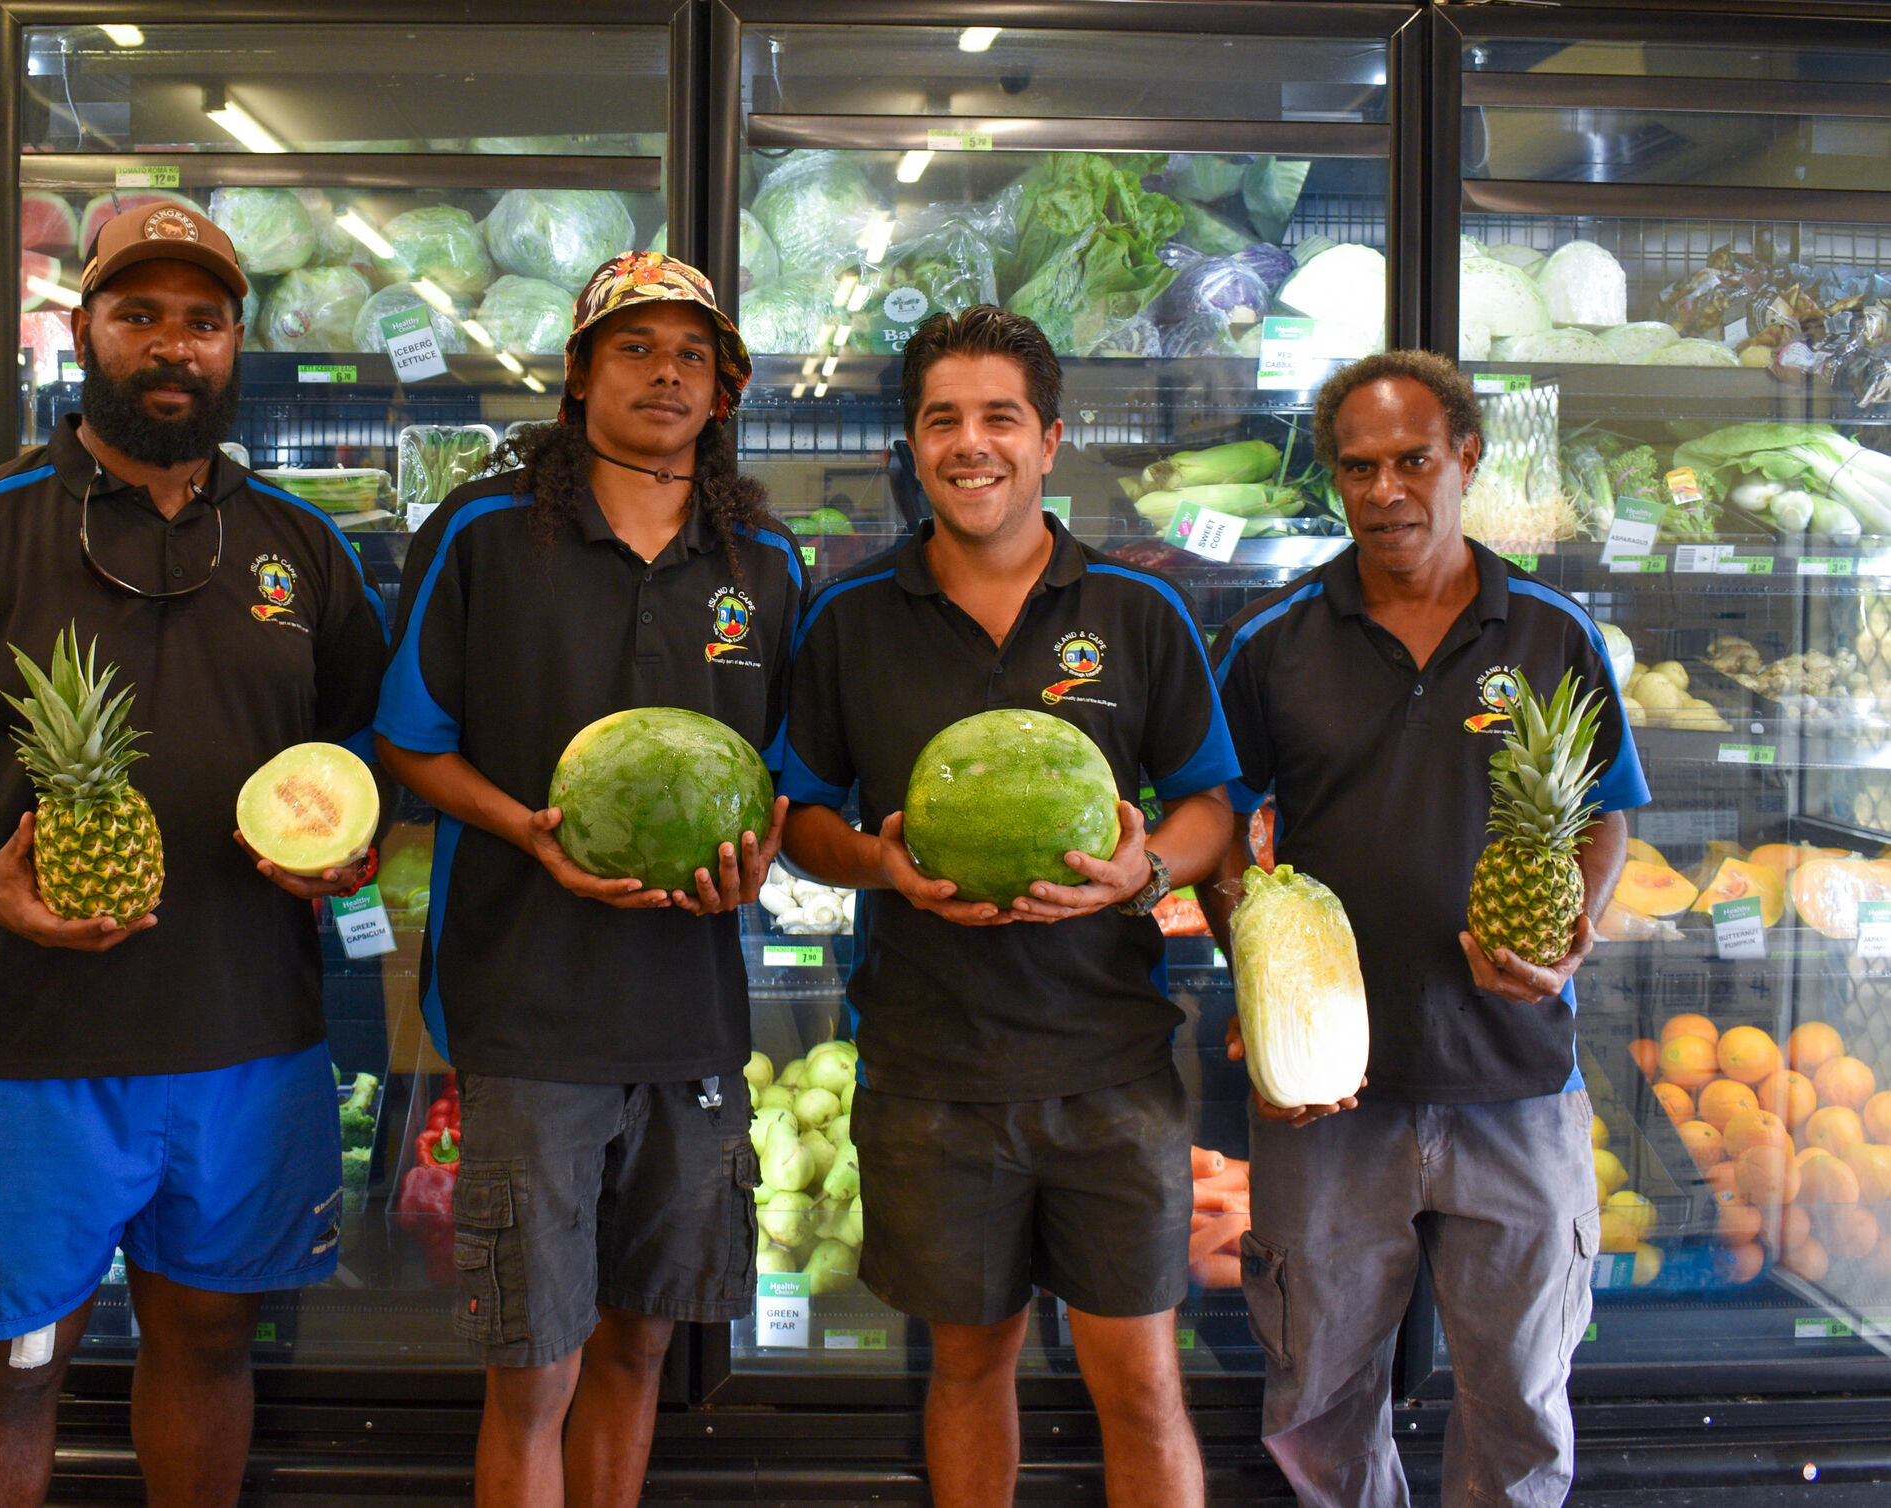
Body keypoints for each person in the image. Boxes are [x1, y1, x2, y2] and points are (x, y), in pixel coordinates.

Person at [0, 203, 390, 1508]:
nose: (171, 347)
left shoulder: (302, 547)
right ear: (83, 334)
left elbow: (363, 745)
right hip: (22, 1046)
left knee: (211, 1337)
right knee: (13, 1364)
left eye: (202, 320)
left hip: (247, 1039)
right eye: (140, 317)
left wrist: (352, 848)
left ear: (236, 346)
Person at [777, 305, 1235, 1508]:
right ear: (912, 445)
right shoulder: (850, 616)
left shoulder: (1139, 612)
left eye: (999, 418)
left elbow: (1209, 807)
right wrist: (879, 864)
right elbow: (802, 813)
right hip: (930, 1071)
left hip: (1112, 1067)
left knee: (1137, 1377)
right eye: (943, 420)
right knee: (968, 1364)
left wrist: (1148, 870)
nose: (969, 444)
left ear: (1049, 441)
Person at [373, 251, 802, 1508]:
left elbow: (784, 767)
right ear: (577, 376)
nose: (666, 373)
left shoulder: (765, 558)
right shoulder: (483, 534)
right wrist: (528, 828)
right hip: (529, 1006)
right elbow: (409, 737)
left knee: (640, 1345)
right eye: (635, 349)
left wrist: (762, 849)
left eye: (692, 355)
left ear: (722, 391)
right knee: (537, 1367)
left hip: (691, 1015)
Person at [1202, 349, 1648, 1507]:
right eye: (1360, 466)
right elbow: (1214, 831)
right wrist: (1254, 979)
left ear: (1466, 459)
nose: (1387, 488)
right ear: (1334, 480)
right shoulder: (1272, 642)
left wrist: (1571, 934)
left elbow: (1606, 811)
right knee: (1318, 1399)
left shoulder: (1551, 631)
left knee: (1520, 1396)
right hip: (1331, 1098)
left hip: (1517, 1081)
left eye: (1412, 460)